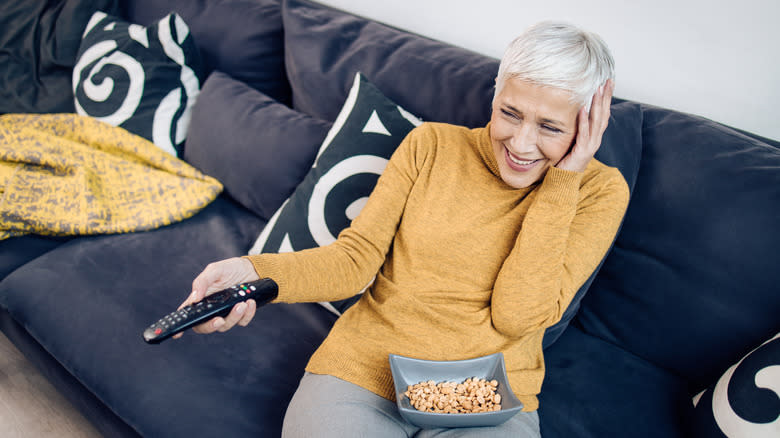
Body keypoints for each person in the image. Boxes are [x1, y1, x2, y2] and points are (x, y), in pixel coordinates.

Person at [175, 21, 629, 437]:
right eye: (510, 113)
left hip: (481, 399)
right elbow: (353, 261)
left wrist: (562, 182)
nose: (522, 142)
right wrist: (250, 271)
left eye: (550, 126)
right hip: (366, 372)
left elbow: (516, 316)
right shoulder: (431, 146)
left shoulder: (598, 191)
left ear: (589, 126)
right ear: (495, 95)